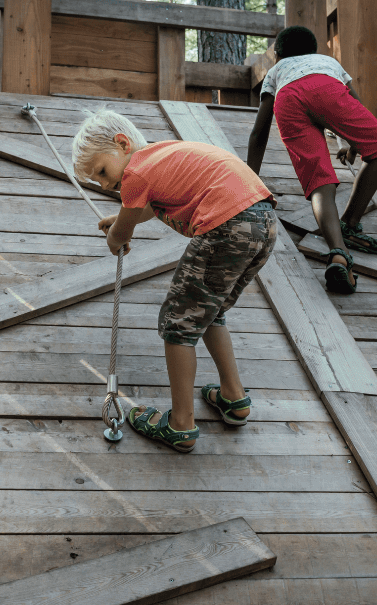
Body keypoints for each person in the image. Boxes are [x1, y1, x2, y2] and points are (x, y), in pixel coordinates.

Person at [71, 108, 277, 453]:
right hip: (262, 221)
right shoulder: (161, 157)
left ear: (122, 144)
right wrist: (123, 219)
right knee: (210, 312)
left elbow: (121, 231)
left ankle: (181, 424)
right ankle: (234, 397)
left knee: (177, 323)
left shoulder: (136, 171)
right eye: (98, 183)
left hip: (225, 225)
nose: (106, 185)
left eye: (103, 172)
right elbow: (148, 207)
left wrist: (117, 236)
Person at [245, 25, 377, 294]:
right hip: (326, 89)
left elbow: (260, 132)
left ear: (277, 54)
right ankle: (350, 224)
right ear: (314, 51)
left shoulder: (277, 70)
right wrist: (352, 145)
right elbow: (354, 104)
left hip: (288, 100)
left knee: (319, 182)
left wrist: (249, 180)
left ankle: (339, 252)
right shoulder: (327, 62)